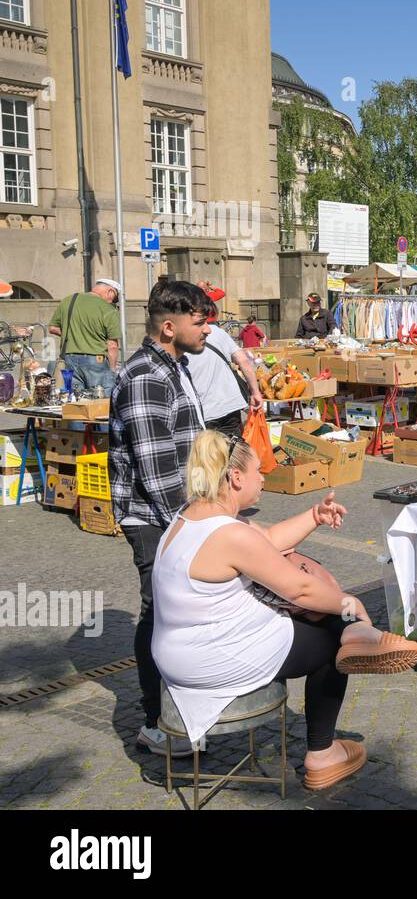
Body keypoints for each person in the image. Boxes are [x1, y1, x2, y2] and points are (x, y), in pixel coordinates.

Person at [153, 431, 417, 787]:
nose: (264, 477)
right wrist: (351, 602)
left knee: (323, 609)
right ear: (235, 478)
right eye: (258, 471)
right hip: (211, 658)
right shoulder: (230, 535)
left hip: (181, 653)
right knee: (329, 634)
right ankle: (322, 753)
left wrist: (315, 515)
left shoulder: (190, 516)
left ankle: (359, 634)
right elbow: (300, 590)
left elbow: (268, 540)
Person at [109, 280, 211, 756]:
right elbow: (156, 468)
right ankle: (157, 722)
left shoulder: (175, 366)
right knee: (159, 613)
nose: (207, 328)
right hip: (156, 518)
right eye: (200, 320)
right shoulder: (147, 374)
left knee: (176, 611)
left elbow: (185, 443)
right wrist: (193, 526)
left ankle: (181, 711)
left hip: (179, 513)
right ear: (169, 326)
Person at [186, 296, 263, 439]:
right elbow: (244, 362)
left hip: (204, 412)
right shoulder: (220, 334)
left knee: (209, 458)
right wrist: (255, 392)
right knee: (233, 454)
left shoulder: (183, 339)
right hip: (229, 406)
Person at [48, 277, 122, 394]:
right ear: (110, 292)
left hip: (69, 359)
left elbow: (52, 328)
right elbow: (112, 345)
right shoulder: (109, 309)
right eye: (115, 298)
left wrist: (74, 333)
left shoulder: (68, 300)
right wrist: (112, 370)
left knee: (76, 402)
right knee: (99, 401)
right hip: (96, 360)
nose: (114, 302)